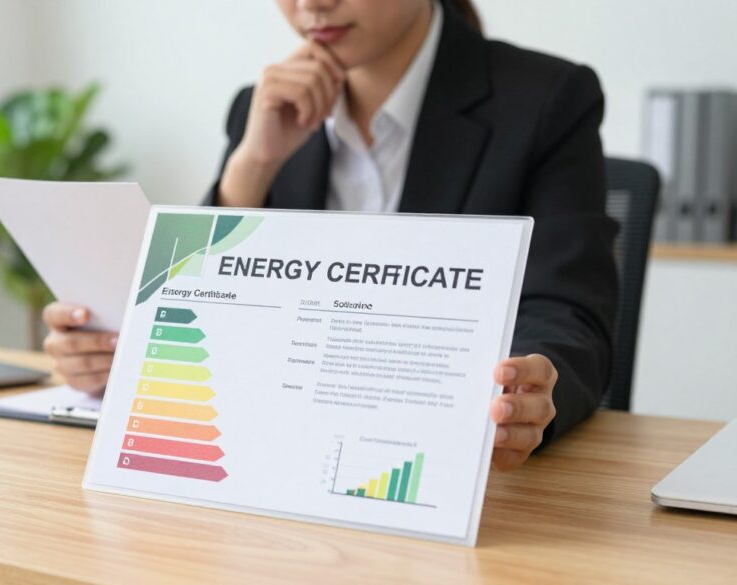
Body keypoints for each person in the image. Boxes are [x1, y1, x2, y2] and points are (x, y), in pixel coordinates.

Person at [42, 0, 618, 472]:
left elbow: (568, 314)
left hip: (446, 470)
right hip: (283, 471)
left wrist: (535, 390)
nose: (311, 5)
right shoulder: (261, 110)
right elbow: (203, 326)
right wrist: (251, 169)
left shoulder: (547, 100)